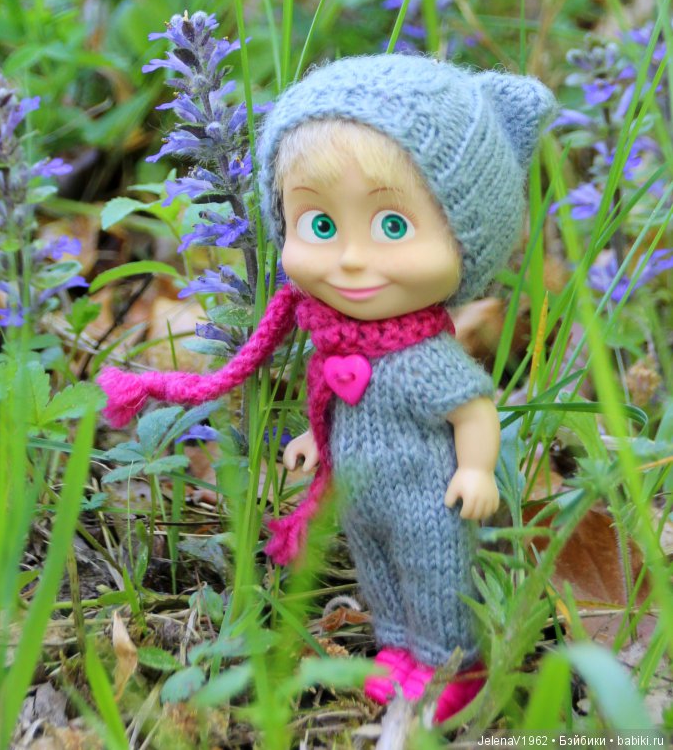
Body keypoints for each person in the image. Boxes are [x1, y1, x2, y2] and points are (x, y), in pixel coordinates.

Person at [99, 52, 556, 721]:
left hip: (428, 496)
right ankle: (397, 647)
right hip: (359, 495)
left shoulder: (423, 358)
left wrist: (477, 468)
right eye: (319, 225)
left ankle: (453, 662)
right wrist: (316, 440)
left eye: (393, 226)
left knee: (433, 573)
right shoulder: (333, 340)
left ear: (468, 241)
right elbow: (335, 399)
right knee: (378, 568)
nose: (350, 258)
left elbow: (472, 408)